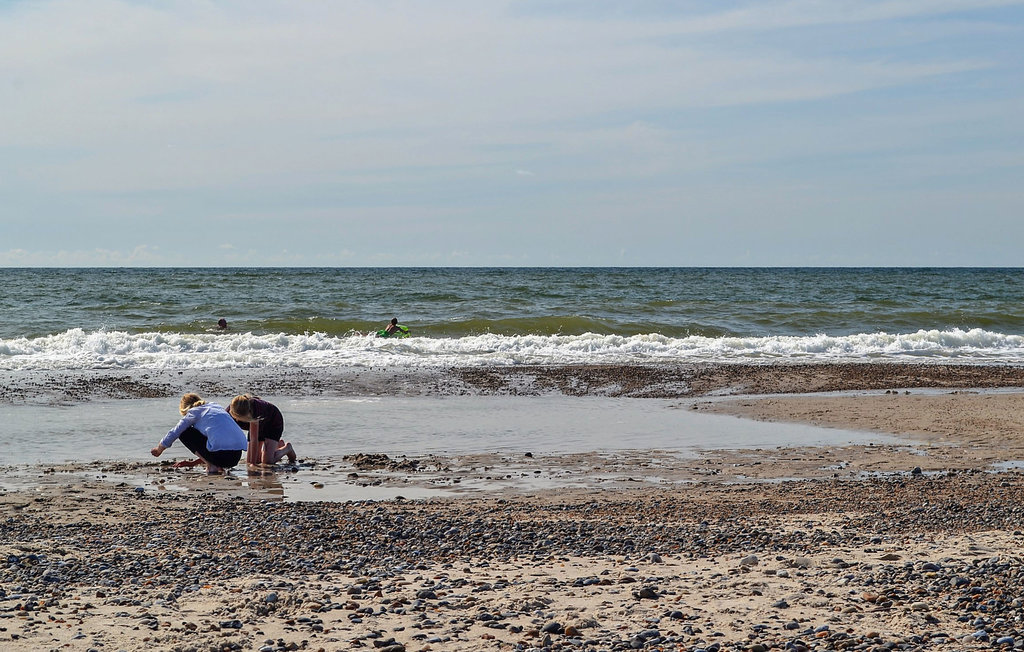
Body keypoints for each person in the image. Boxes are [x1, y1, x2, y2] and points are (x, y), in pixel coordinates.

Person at [151, 393, 248, 474]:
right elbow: (219, 442)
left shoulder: (193, 412)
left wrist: (159, 449)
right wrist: (193, 463)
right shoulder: (216, 407)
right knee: (214, 435)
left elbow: (175, 431)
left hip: (221, 457)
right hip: (236, 457)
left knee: (184, 432)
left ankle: (211, 466)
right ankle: (215, 464)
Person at [228, 394, 297, 465]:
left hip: (272, 422)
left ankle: (287, 448)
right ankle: (276, 446)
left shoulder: (255, 411)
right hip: (259, 424)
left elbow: (254, 439)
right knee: (255, 460)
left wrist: (253, 464)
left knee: (267, 462)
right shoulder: (230, 411)